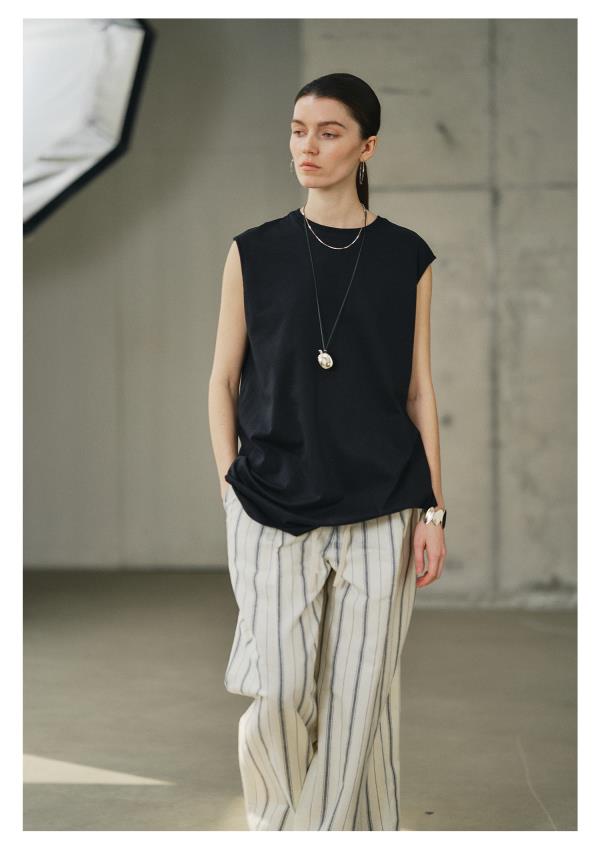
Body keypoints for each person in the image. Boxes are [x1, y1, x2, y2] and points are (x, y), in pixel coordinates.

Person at [208, 72, 447, 831]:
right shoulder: (253, 252)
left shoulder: (408, 257)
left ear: (366, 146)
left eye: (329, 132)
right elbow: (222, 380)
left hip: (385, 503)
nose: (306, 146)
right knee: (278, 691)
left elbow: (419, 391)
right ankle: (283, 825)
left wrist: (434, 510)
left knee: (359, 702)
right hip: (269, 500)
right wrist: (228, 485)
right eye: (297, 129)